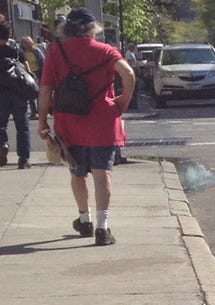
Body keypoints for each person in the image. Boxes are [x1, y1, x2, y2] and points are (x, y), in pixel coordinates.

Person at [37, 8, 135, 245]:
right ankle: (102, 228)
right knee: (103, 174)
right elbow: (128, 73)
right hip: (103, 121)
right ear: (93, 29)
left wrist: (42, 122)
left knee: (77, 173)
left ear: (67, 29)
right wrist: (123, 100)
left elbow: (45, 90)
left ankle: (85, 220)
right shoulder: (106, 51)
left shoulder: (55, 52)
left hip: (68, 123)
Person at [0, 23, 31, 169]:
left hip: (1, 94)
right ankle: (23, 159)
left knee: (0, 125)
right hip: (18, 94)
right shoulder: (17, 52)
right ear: (9, 34)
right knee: (22, 126)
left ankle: (3, 144)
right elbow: (27, 71)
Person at [21, 36, 45, 119]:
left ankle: (40, 111)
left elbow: (43, 61)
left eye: (27, 42)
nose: (26, 44)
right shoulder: (22, 52)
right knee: (30, 93)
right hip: (27, 74)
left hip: (37, 73)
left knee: (37, 93)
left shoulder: (36, 51)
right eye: (24, 43)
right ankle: (34, 112)